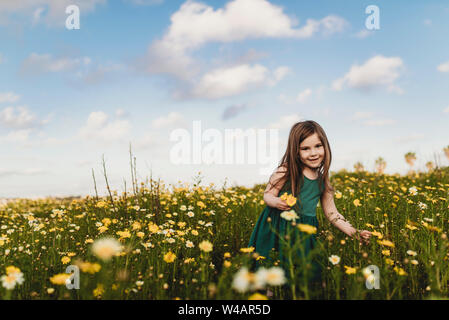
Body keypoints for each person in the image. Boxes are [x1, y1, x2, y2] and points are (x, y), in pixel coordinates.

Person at [248, 120, 371, 296]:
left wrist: (353, 231)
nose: (313, 153)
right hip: (276, 228)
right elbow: (267, 194)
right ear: (295, 151)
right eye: (305, 148)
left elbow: (332, 213)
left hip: (303, 234)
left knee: (302, 278)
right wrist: (275, 202)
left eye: (318, 146)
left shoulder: (323, 181)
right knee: (270, 277)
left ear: (325, 147)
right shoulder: (286, 171)